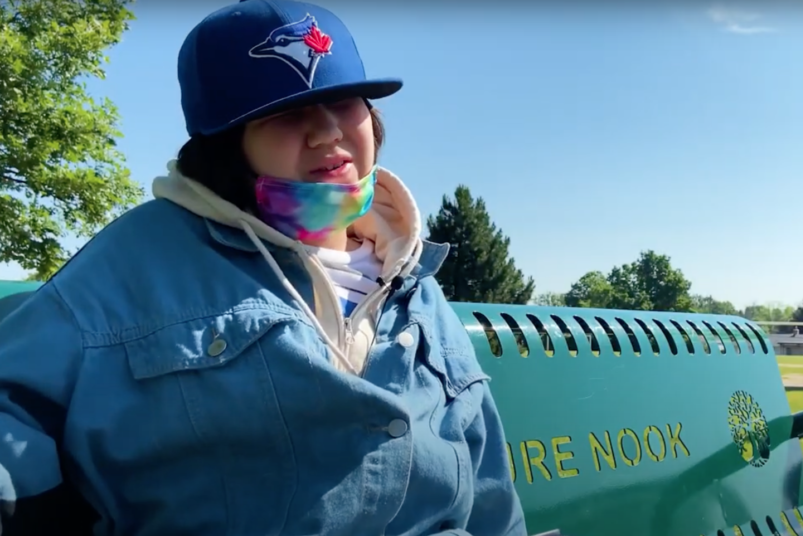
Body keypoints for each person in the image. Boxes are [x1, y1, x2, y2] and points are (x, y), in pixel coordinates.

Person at [0, 1, 526, 535]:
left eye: (343, 102)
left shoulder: (414, 278)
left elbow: (490, 494)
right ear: (229, 143)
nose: (327, 133)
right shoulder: (136, 261)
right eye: (287, 112)